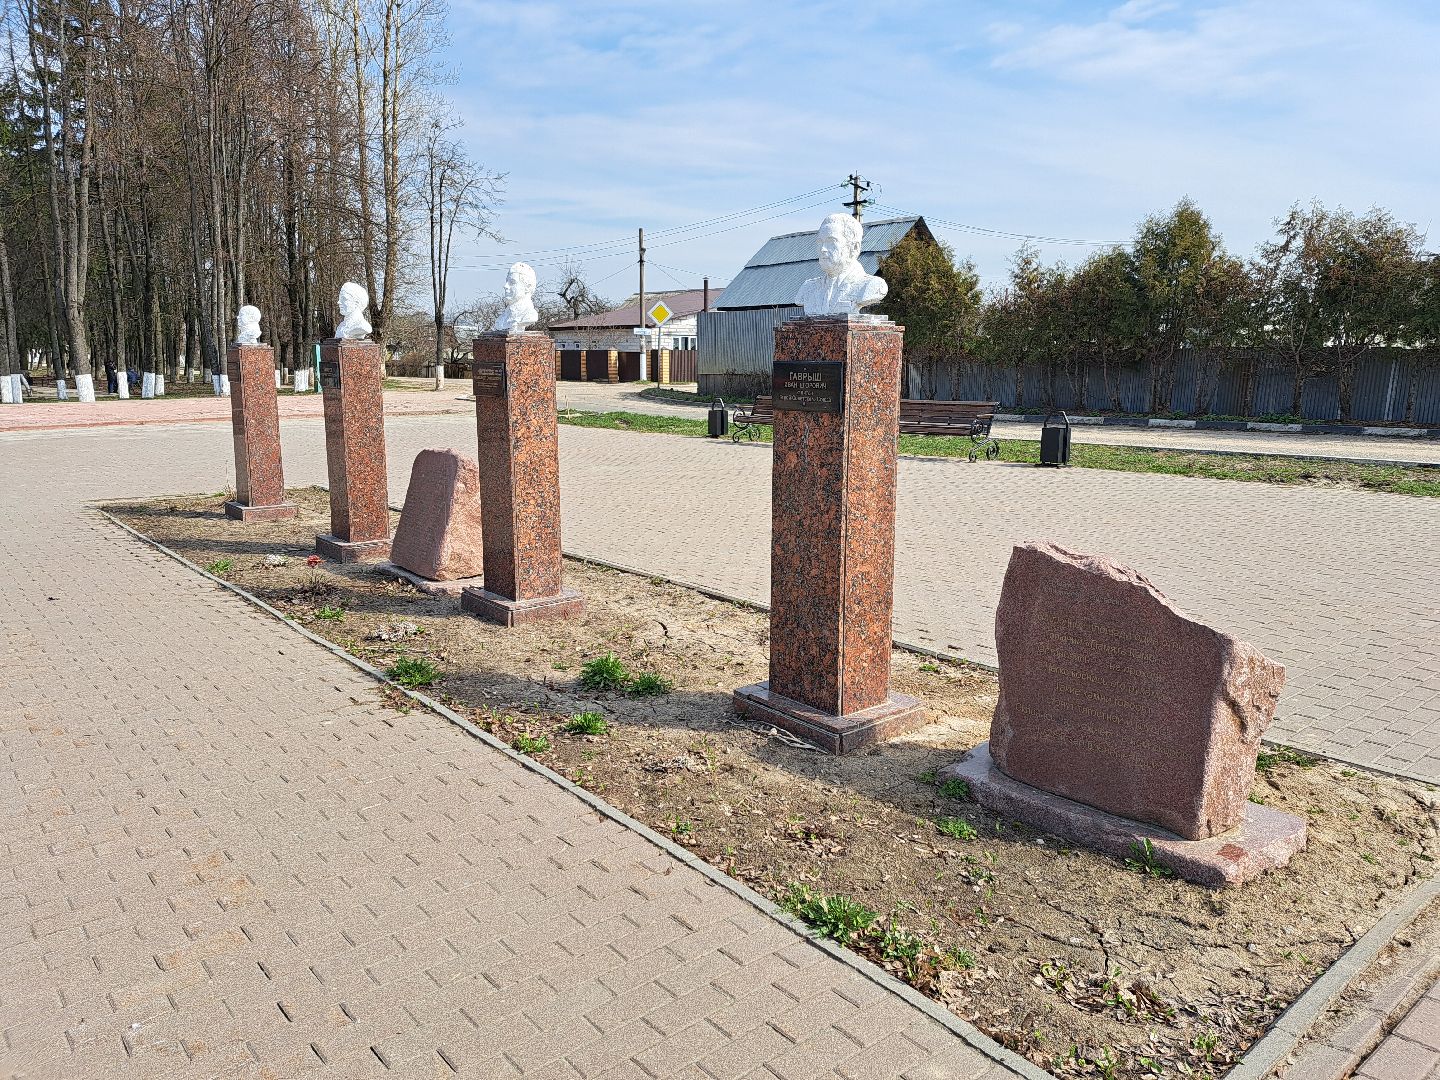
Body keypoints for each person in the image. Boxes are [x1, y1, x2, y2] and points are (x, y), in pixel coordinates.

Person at [793, 213, 888, 316]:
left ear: (854, 248)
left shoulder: (870, 285)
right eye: (820, 242)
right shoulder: (808, 288)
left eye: (831, 242)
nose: (823, 249)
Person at [494, 262, 539, 332]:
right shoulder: (502, 318)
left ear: (528, 287)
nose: (505, 286)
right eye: (507, 281)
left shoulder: (530, 315)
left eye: (512, 282)